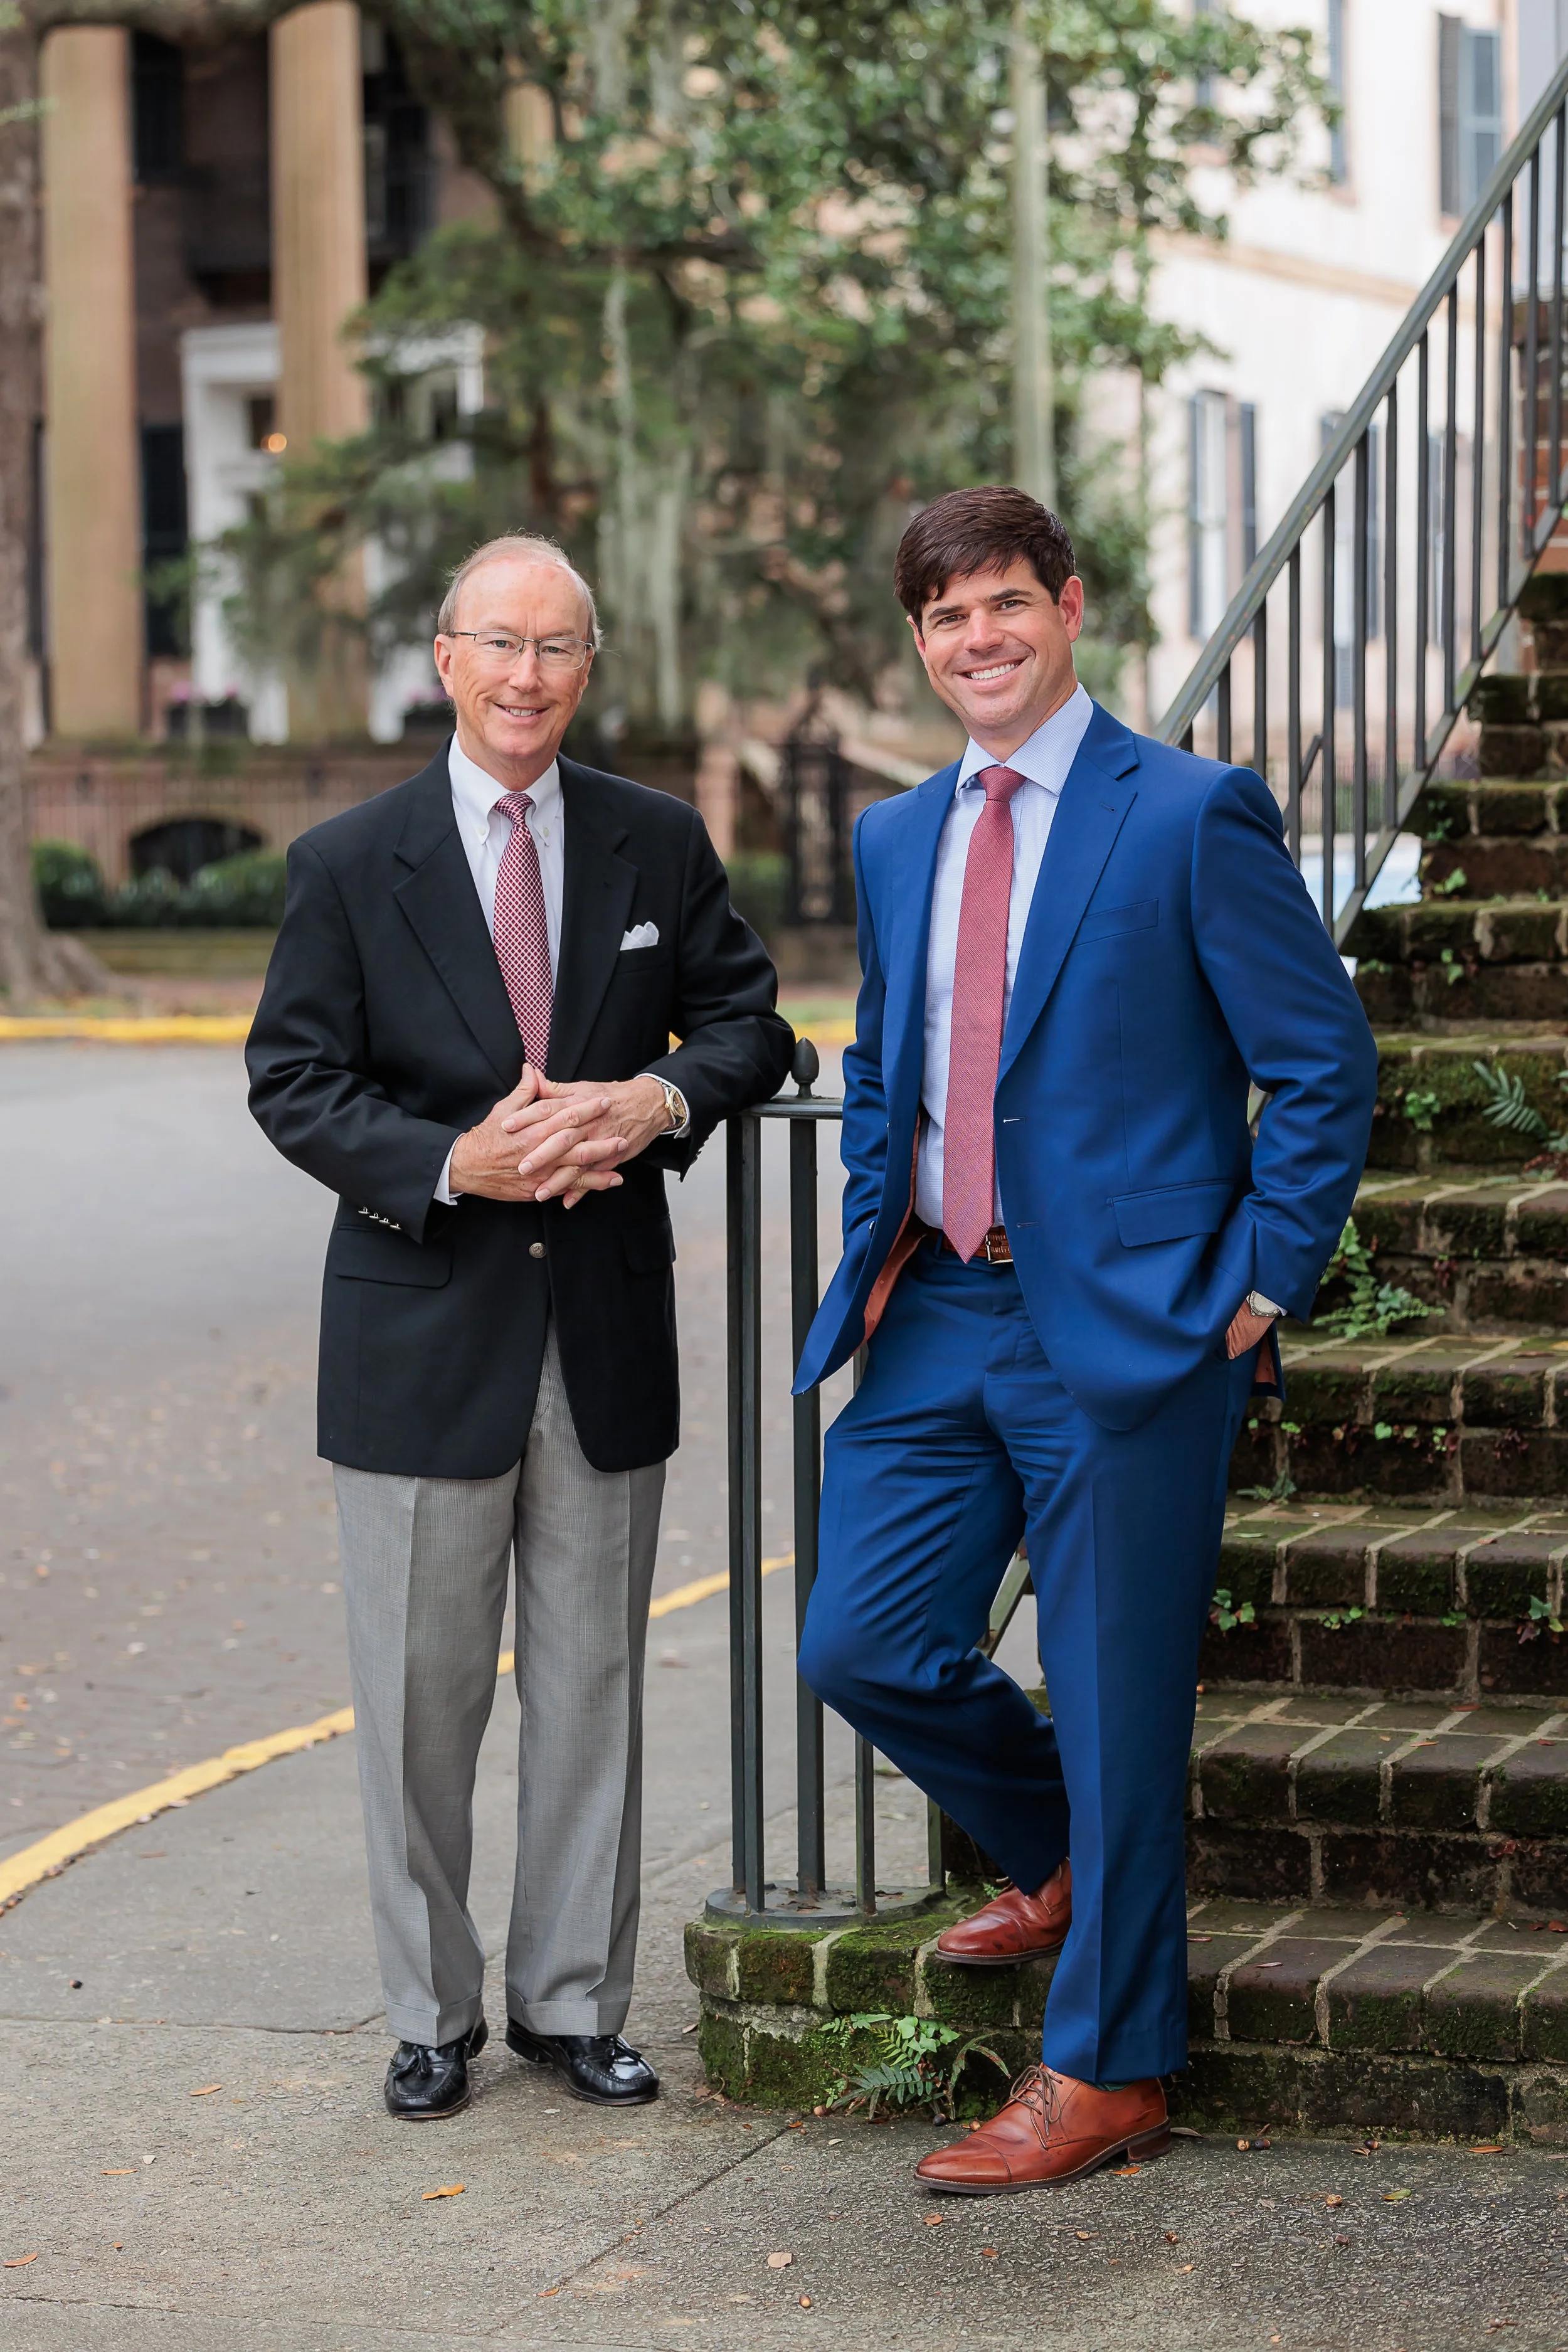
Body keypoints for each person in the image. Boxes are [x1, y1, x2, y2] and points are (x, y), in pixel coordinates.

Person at [793, 485, 1375, 2192]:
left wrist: (1257, 1282)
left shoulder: (1188, 814)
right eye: (944, 617)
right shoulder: (895, 833)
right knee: (861, 1638)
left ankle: (1108, 2065)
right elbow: (887, 1066)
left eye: (1003, 605)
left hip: (1133, 1328)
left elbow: (1319, 1062)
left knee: (1119, 1700)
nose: (976, 638)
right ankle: (1059, 1846)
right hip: (937, 1307)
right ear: (920, 641)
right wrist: (868, 1229)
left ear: (1065, 608)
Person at [248, 532, 793, 2121]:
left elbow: (751, 1021)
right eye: (498, 645)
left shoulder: (652, 839)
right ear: (443, 658)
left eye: (557, 649)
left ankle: (571, 2003)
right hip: (422, 1341)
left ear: (587, 665)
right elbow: (294, 1082)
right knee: (420, 1707)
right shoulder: (352, 863)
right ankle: (429, 2012)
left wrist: (653, 1097)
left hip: (604, 1337)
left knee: (591, 1690)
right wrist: (446, 1163)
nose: (525, 678)